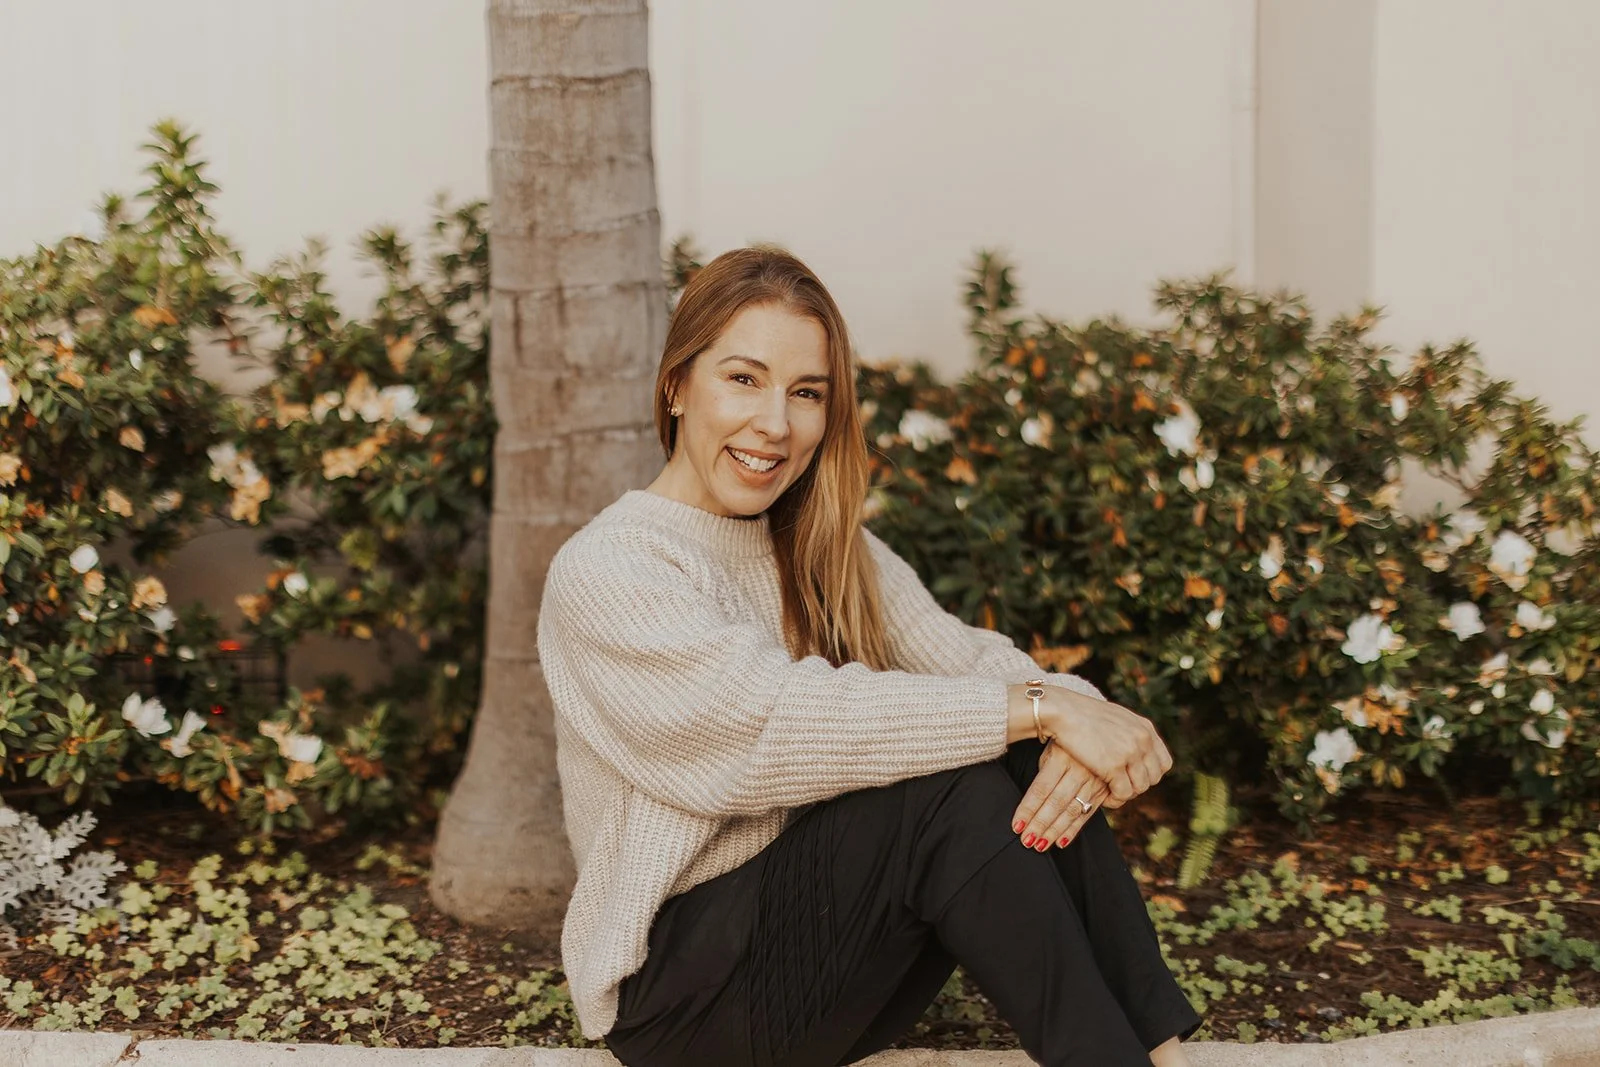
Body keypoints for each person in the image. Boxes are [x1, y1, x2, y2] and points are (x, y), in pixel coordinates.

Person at [536, 246, 1202, 1066]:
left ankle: (1162, 1056)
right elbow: (771, 726)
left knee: (1027, 754)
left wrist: (1070, 712)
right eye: (743, 379)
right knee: (954, 779)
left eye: (806, 393)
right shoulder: (611, 569)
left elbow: (974, 661)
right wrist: (1043, 708)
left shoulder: (821, 543)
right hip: (681, 1006)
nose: (775, 423)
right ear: (678, 385)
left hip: (824, 970)